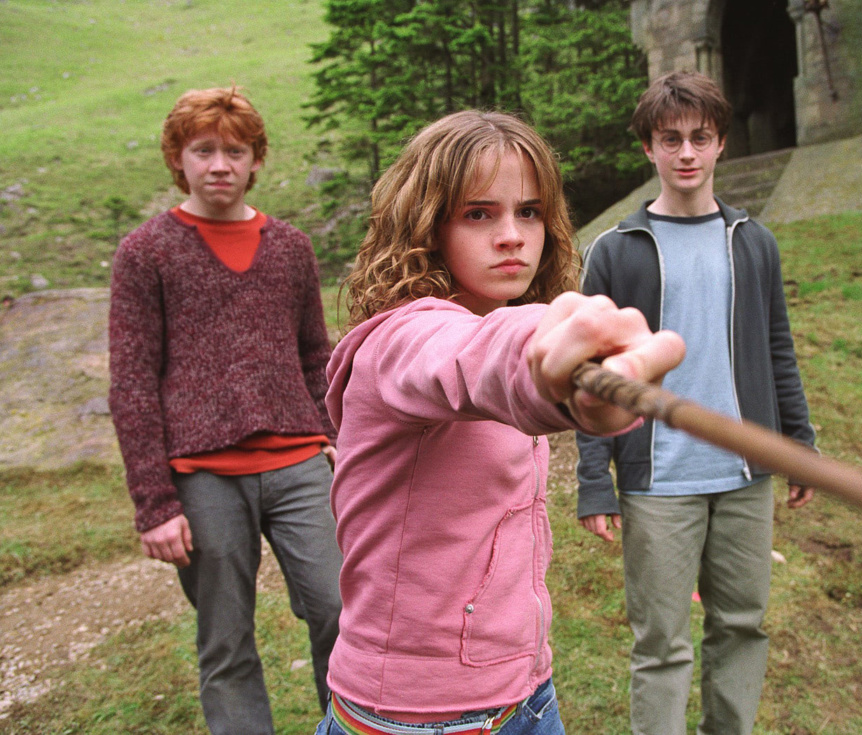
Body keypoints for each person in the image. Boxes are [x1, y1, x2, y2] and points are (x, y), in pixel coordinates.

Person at [316, 110, 685, 735]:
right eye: (478, 214)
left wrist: (586, 386)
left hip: (527, 693)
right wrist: (546, 353)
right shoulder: (399, 341)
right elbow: (475, 358)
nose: (512, 235)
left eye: (530, 212)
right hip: (418, 717)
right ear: (427, 224)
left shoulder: (493, 314)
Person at [574, 71, 818, 735]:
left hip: (744, 475)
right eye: (670, 139)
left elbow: (778, 350)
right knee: (661, 643)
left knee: (742, 625)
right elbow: (589, 377)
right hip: (657, 481)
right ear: (648, 148)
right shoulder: (615, 251)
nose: (686, 152)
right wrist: (594, 480)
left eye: (700, 138)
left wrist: (800, 446)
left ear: (720, 144)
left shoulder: (754, 242)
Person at [108, 86, 344, 735]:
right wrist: (154, 504)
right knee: (226, 638)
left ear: (256, 160)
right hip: (202, 476)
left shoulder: (291, 247)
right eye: (203, 150)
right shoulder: (145, 252)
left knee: (340, 609)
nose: (220, 165)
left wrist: (334, 435)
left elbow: (315, 354)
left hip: (299, 464)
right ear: (177, 159)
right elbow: (131, 381)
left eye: (235, 151)